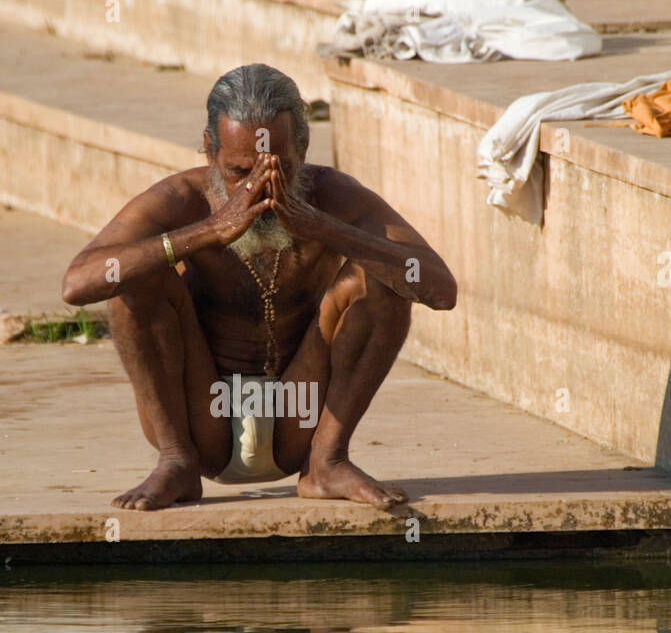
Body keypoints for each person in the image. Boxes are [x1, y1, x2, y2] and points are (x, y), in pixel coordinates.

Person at [62, 63, 457, 510]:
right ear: (209, 150)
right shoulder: (180, 198)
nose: (260, 189)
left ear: (303, 149)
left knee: (384, 277)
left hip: (300, 413)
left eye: (281, 169)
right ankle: (175, 463)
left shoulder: (332, 196)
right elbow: (79, 283)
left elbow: (441, 290)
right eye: (239, 171)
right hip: (202, 417)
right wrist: (209, 231)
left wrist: (325, 228)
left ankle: (327, 463)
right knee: (137, 275)